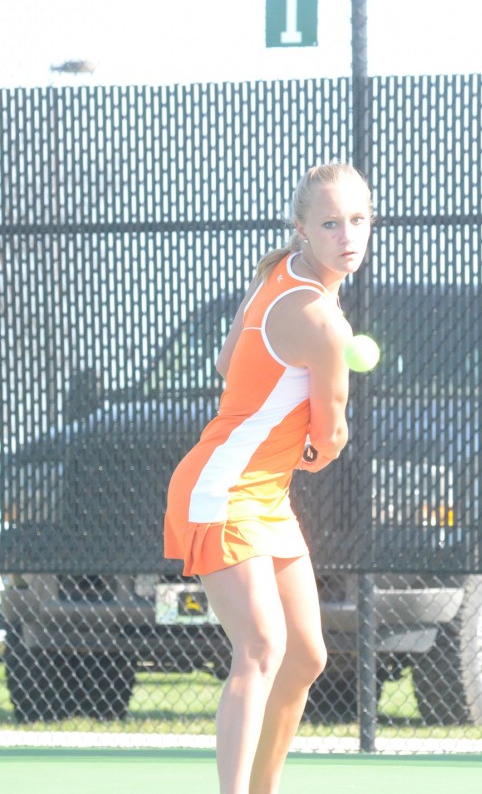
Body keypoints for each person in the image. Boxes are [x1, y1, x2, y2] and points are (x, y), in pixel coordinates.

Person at [164, 162, 374, 793]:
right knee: (260, 648)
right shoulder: (323, 322)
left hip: (264, 496)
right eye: (331, 222)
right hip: (221, 489)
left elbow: (231, 361)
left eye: (359, 220)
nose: (347, 235)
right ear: (303, 229)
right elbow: (329, 439)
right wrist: (315, 434)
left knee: (306, 655)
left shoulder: (274, 279)